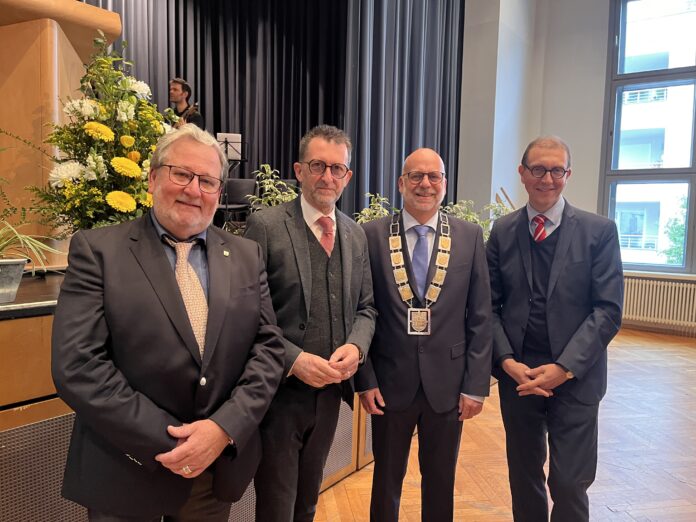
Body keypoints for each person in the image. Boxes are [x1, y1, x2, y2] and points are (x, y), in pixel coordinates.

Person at [51, 124, 285, 521]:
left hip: (214, 472)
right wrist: (174, 441)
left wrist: (222, 429)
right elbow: (78, 365)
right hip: (126, 468)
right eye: (182, 174)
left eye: (208, 181)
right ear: (153, 177)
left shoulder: (247, 255)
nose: (194, 190)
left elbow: (268, 348)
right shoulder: (98, 251)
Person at [486, 136, 624, 521]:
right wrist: (507, 361)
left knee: (568, 481)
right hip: (520, 377)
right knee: (524, 476)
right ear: (522, 174)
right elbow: (489, 306)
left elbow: (608, 311)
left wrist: (563, 369)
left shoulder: (599, 232)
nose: (547, 179)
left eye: (556, 170)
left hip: (576, 378)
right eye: (538, 169)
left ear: (568, 174)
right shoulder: (502, 231)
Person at [244, 124, 376, 522]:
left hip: (331, 396)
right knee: (276, 507)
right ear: (299, 171)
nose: (328, 176)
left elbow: (367, 308)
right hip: (279, 396)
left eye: (338, 168)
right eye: (318, 165)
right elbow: (249, 312)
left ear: (348, 176)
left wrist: (355, 347)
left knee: (308, 502)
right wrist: (294, 360)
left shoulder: (355, 234)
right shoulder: (265, 226)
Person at [356, 148, 493, 522]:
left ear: (445, 185)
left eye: (434, 177)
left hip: (448, 387)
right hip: (388, 383)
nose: (425, 184)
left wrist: (476, 385)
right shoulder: (370, 235)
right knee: (385, 481)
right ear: (401, 183)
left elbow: (481, 316)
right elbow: (361, 311)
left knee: (440, 481)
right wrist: (364, 379)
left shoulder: (468, 236)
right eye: (416, 176)